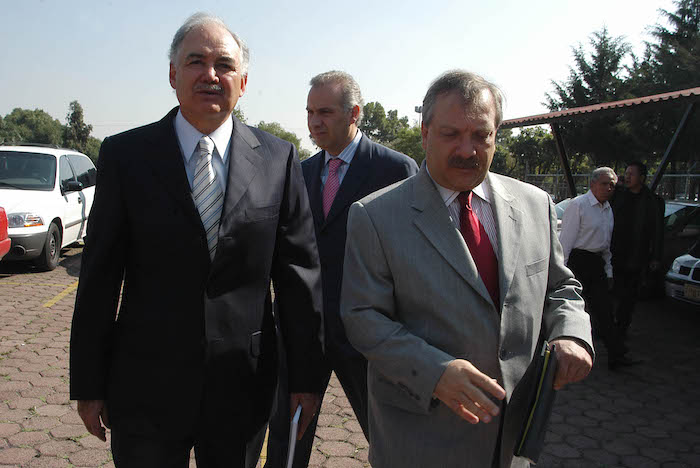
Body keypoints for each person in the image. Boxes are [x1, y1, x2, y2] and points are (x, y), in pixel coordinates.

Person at [69, 13, 323, 468]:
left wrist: (304, 379)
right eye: (195, 61)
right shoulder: (126, 156)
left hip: (242, 387)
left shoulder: (278, 159)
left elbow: (297, 277)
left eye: (224, 65)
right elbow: (99, 277)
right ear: (173, 74)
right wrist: (88, 383)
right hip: (144, 384)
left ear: (243, 82)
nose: (210, 75)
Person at [339, 70, 594, 468]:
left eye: (480, 135)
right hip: (422, 441)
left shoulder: (536, 204)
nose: (467, 149)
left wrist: (572, 333)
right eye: (451, 134)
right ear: (425, 133)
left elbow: (559, 287)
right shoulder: (375, 216)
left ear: (496, 135)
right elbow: (362, 317)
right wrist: (435, 372)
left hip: (513, 438)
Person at [264, 71, 418, 468]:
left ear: (354, 113)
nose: (315, 122)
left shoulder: (395, 170)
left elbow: (412, 256)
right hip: (303, 331)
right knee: (287, 435)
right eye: (310, 112)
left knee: (389, 436)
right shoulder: (299, 172)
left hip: (367, 332)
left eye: (325, 112)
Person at [559, 167, 633, 370]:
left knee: (604, 310)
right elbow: (565, 241)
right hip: (577, 262)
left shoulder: (607, 209)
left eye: (612, 185)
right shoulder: (579, 205)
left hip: (596, 263)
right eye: (604, 184)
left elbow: (606, 244)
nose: (608, 188)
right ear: (592, 184)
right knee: (570, 308)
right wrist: (561, 270)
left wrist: (608, 271)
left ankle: (616, 354)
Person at [611, 161, 664, 334]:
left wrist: (656, 257)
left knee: (629, 295)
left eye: (631, 174)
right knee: (611, 291)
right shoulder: (618, 196)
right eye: (626, 173)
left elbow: (658, 231)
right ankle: (607, 325)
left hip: (636, 255)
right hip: (614, 253)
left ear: (641, 178)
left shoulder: (653, 202)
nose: (627, 177)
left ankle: (621, 327)